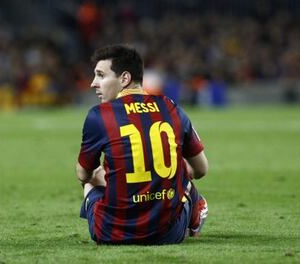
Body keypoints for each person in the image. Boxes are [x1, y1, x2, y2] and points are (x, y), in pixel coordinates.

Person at [76, 44, 209, 245]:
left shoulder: (99, 115)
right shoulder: (171, 108)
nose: (93, 83)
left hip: (109, 234)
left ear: (124, 79)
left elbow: (82, 174)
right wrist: (178, 172)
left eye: (101, 75)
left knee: (91, 177)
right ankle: (195, 211)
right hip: (169, 235)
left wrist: (95, 176)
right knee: (181, 172)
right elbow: (201, 169)